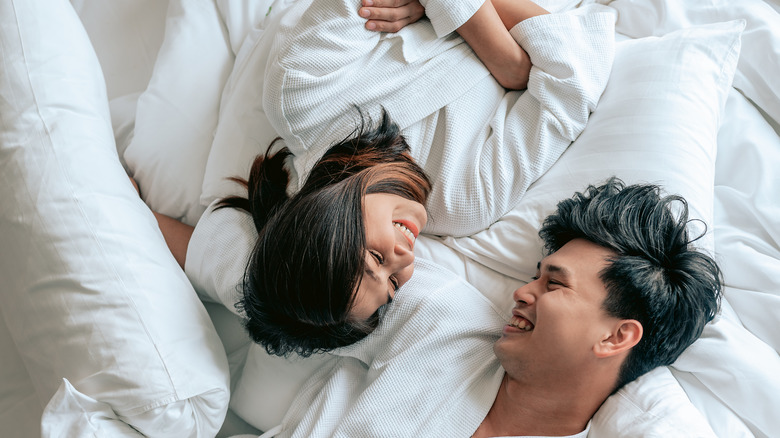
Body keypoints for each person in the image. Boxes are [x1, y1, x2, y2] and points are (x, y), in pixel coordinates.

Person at [161, 0, 614, 358]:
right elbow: (575, 75)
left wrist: (488, 39)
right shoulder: (464, 201)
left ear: (326, 218)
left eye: (374, 258)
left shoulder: (303, 91)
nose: (404, 260)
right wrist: (481, 30)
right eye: (394, 284)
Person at [271, 178, 723, 437]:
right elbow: (278, 274)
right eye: (536, 276)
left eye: (554, 284)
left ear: (616, 336)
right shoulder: (442, 315)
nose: (523, 293)